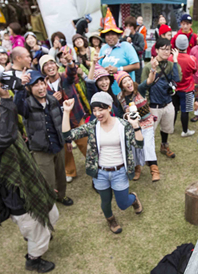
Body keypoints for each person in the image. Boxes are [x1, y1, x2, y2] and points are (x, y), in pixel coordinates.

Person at [0, 88, 59, 273]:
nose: (7, 110)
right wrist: (5, 97)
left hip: (32, 186)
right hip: (18, 196)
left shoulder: (5, 129)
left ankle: (36, 236)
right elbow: (5, 136)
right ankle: (33, 259)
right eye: (1, 106)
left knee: (52, 214)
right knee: (36, 231)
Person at [62, 93, 144, 234]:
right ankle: (110, 219)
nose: (97, 114)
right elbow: (68, 135)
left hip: (119, 172)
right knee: (105, 201)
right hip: (100, 172)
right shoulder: (92, 126)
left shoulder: (123, 125)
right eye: (94, 110)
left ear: (109, 107)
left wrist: (135, 126)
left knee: (123, 204)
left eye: (101, 109)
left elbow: (139, 144)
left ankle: (133, 198)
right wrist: (66, 112)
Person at [15, 70, 74, 206]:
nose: (41, 87)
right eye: (36, 85)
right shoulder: (27, 105)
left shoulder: (52, 99)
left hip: (58, 144)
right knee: (47, 179)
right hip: (41, 149)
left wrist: (68, 139)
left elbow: (60, 121)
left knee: (60, 175)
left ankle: (61, 195)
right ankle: (49, 200)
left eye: (42, 83)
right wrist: (19, 87)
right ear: (29, 88)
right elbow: (17, 106)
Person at [39, 55, 88, 184]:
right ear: (43, 70)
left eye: (51, 63)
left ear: (56, 65)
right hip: (59, 122)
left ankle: (95, 163)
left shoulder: (64, 78)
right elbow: (43, 105)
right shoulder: (43, 87)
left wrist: (70, 62)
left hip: (75, 117)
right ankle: (69, 171)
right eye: (46, 65)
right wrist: (52, 100)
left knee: (85, 143)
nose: (50, 66)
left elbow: (72, 73)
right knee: (65, 150)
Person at [140, 38, 180, 159]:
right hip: (153, 105)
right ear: (156, 50)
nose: (166, 52)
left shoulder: (171, 65)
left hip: (167, 103)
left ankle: (164, 145)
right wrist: (145, 105)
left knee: (166, 128)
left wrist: (176, 60)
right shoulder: (148, 67)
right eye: (163, 49)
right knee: (149, 132)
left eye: (168, 49)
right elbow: (143, 85)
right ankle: (147, 152)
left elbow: (177, 78)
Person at [115, 71, 160, 182]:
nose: (128, 83)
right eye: (125, 82)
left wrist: (153, 70)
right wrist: (126, 115)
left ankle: (154, 171)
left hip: (146, 122)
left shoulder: (139, 89)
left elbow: (149, 81)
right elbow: (120, 114)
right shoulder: (120, 97)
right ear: (122, 86)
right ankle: (137, 169)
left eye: (129, 80)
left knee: (148, 145)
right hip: (132, 125)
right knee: (133, 148)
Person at [98, 21, 140, 94]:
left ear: (118, 35)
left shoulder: (126, 46)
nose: (110, 37)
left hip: (125, 91)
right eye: (107, 35)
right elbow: (99, 66)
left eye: (113, 34)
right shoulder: (103, 48)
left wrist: (118, 69)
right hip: (108, 90)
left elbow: (136, 65)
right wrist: (104, 70)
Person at [172, 35, 197, 137]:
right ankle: (185, 130)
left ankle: (170, 128)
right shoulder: (192, 59)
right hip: (188, 88)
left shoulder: (171, 58)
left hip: (174, 88)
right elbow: (195, 70)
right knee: (185, 110)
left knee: (174, 109)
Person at [121, 16, 145, 82]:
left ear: (134, 27)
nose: (128, 28)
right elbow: (118, 46)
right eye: (127, 26)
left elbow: (140, 50)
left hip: (136, 62)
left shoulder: (139, 36)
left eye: (130, 26)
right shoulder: (125, 37)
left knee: (136, 82)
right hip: (126, 62)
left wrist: (131, 44)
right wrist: (123, 37)